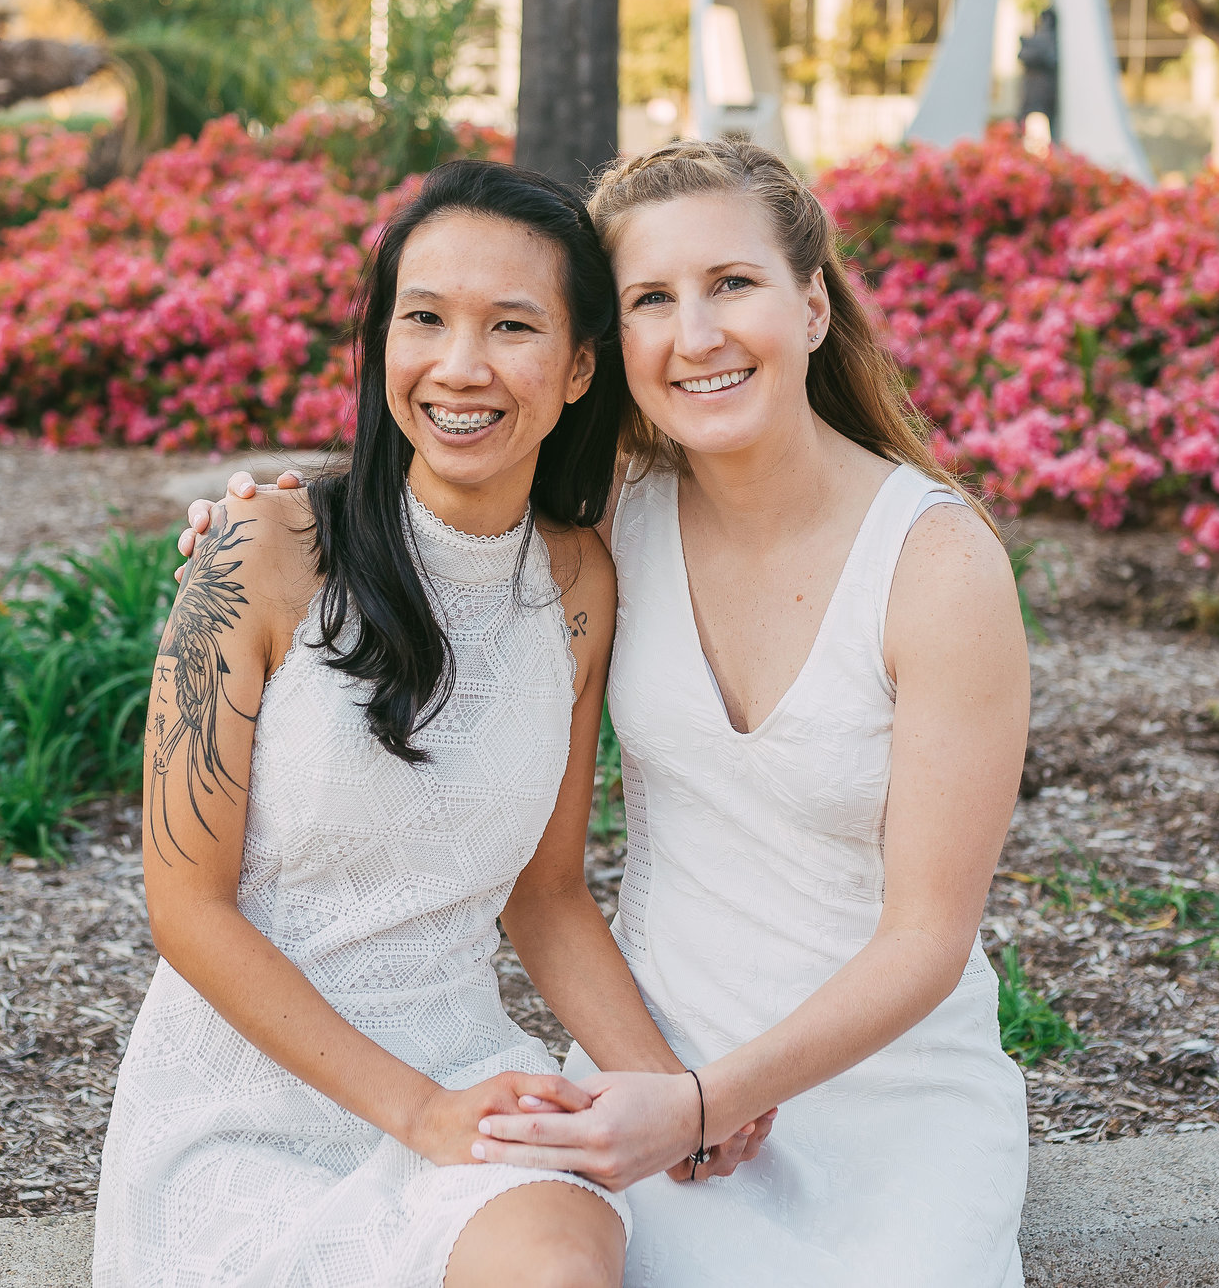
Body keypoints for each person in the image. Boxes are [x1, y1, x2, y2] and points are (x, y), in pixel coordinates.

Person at [186, 138, 1033, 1285]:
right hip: (646, 1061)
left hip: (878, 1091)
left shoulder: (937, 564)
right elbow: (443, 493)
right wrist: (251, 526)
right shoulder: (615, 525)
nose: (696, 334)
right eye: (650, 299)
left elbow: (928, 936)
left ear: (813, 304)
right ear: (611, 347)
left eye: (731, 283)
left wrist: (704, 1105)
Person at [95, 160, 763, 1288]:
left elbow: (545, 894)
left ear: (577, 368)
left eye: (511, 326)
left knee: (559, 1265)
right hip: (237, 1106)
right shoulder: (259, 552)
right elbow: (186, 909)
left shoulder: (577, 584)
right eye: (424, 319)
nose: (460, 367)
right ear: (382, 342)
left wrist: (675, 1095)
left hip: (468, 1075)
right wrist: (418, 1114)